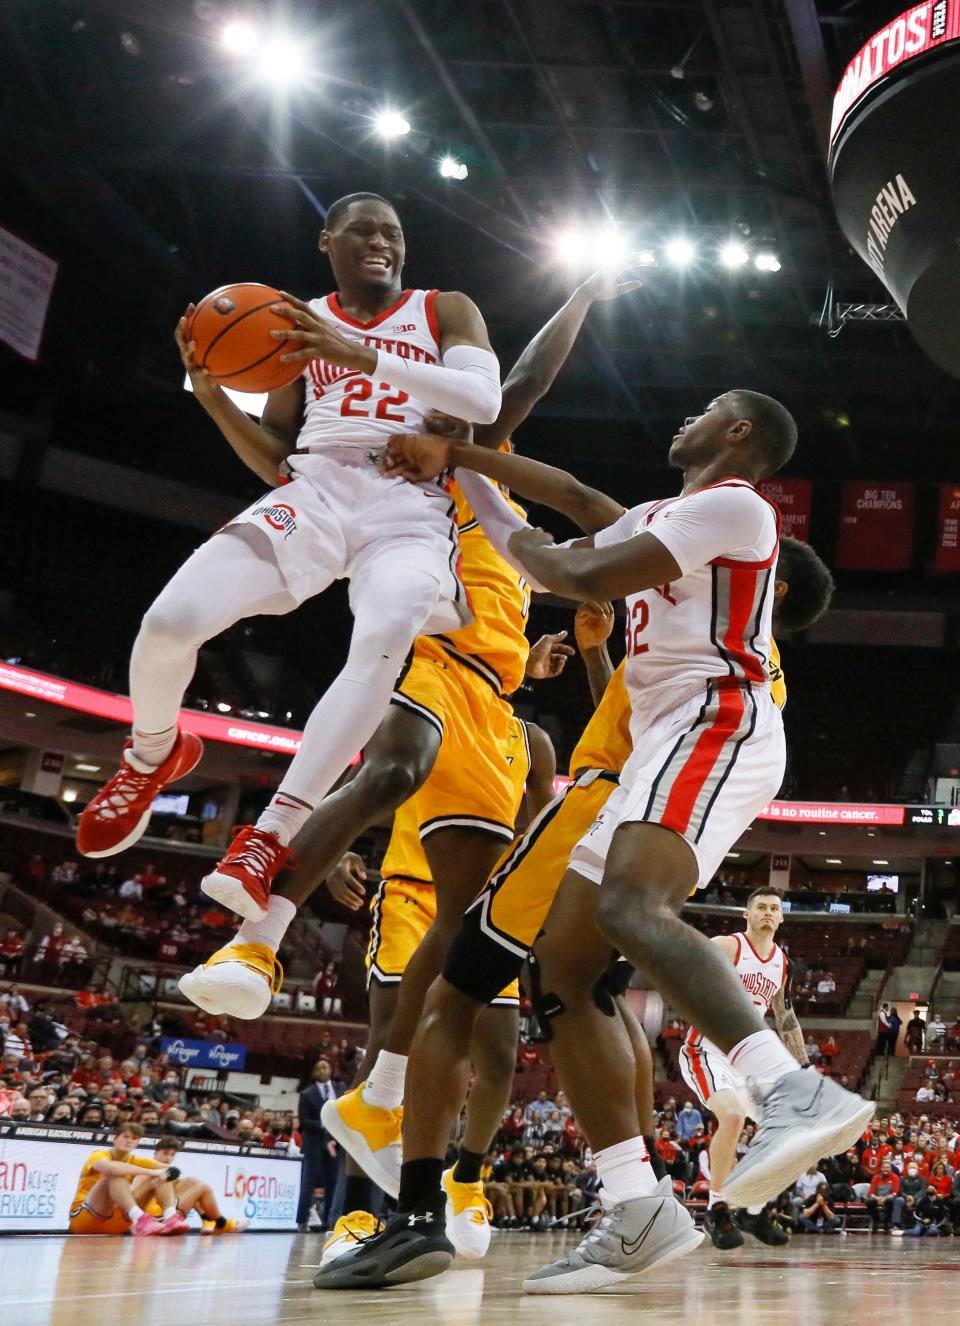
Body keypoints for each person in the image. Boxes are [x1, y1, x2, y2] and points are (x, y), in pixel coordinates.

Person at [314, 395, 858, 1292]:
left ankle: (791, 1091)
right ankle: (637, 1207)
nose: (693, 411)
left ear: (739, 433)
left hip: (709, 721)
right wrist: (466, 460)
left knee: (603, 918)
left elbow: (571, 569)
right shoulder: (662, 517)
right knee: (562, 971)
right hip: (657, 742)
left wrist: (485, 498)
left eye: (712, 406)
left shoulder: (739, 508)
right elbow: (572, 493)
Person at [75, 193, 501, 910]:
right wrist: (213, 396)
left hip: (410, 508)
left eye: (393, 233)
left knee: (389, 628)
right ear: (326, 240)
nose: (381, 242)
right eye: (363, 230)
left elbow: (482, 401)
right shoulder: (292, 320)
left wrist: (359, 355)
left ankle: (273, 831)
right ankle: (152, 753)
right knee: (171, 623)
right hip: (316, 490)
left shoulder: (442, 307)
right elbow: (277, 455)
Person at [680, 886, 803, 1249]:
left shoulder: (782, 964)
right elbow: (681, 971)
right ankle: (717, 1211)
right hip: (708, 1049)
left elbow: (786, 1017)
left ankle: (751, 1209)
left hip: (747, 1057)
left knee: (789, 1129)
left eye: (774, 908)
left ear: (781, 917)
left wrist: (804, 1066)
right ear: (746, 915)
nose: (767, 912)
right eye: (761, 907)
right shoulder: (727, 946)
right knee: (732, 1117)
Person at [68, 1123, 185, 1235]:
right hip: (86, 1218)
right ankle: (140, 1219)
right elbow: (110, 1168)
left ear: (137, 1143)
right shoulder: (99, 1155)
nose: (129, 1141)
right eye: (125, 1136)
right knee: (114, 1176)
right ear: (115, 1138)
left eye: (134, 1138)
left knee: (160, 1178)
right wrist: (151, 1171)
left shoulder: (137, 1160)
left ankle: (171, 1217)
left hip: (118, 1222)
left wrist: (165, 1173)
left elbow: (171, 1169)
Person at [148, 1136, 248, 1232]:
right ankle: (220, 1223)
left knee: (192, 1183)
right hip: (158, 1218)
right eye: (165, 1153)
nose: (169, 1158)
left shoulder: (166, 1172)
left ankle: (209, 1220)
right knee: (202, 1187)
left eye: (172, 1154)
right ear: (155, 1153)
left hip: (165, 1213)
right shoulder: (149, 1169)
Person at [297, 1060, 345, 1231]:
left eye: (326, 1066)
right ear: (314, 1073)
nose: (323, 1070)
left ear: (331, 1070)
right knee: (308, 1182)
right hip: (314, 1142)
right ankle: (302, 1220)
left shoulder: (341, 1089)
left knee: (334, 1181)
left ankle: (329, 1221)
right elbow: (304, 1121)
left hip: (336, 1142)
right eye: (319, 1067)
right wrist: (326, 1123)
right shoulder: (307, 1093)